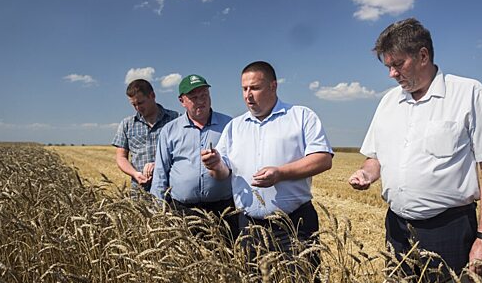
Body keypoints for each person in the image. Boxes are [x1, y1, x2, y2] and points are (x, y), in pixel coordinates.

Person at [348, 17, 482, 283]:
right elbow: (375, 158)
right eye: (387, 67)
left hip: (449, 230)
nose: (392, 74)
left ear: (423, 56)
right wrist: (367, 174)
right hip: (396, 228)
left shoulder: (468, 93)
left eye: (397, 64)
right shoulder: (388, 102)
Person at [201, 61, 333, 266]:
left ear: (273, 86)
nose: (248, 95)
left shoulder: (301, 116)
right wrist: (215, 164)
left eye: (255, 88)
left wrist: (280, 173)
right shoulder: (235, 127)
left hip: (294, 226)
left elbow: (323, 159)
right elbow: (222, 174)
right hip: (249, 228)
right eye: (244, 89)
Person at [150, 74, 238, 241]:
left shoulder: (229, 125)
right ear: (182, 101)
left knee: (227, 258)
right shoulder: (170, 130)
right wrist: (158, 214)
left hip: (223, 210)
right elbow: (161, 173)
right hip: (183, 211)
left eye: (204, 95)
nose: (200, 101)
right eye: (194, 97)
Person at [112, 79, 179, 195]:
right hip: (140, 191)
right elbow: (121, 158)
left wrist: (158, 165)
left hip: (171, 189)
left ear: (152, 95)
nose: (137, 108)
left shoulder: (175, 119)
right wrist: (135, 174)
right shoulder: (127, 124)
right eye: (134, 105)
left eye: (140, 103)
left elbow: (184, 153)